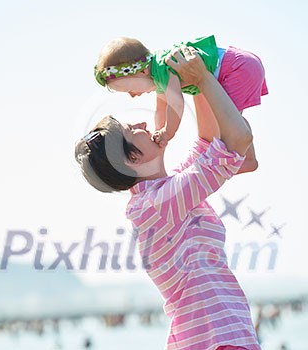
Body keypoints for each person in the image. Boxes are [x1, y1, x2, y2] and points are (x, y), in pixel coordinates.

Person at [76, 48, 260, 349]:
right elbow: (237, 142)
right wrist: (202, 77)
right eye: (130, 130)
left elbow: (210, 143)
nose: (142, 124)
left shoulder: (162, 193)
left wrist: (199, 73)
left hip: (217, 336)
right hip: (217, 339)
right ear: (130, 161)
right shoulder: (157, 204)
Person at [94, 35, 267, 174]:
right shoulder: (158, 70)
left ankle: (246, 159)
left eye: (128, 89)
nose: (132, 96)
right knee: (229, 120)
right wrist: (158, 132)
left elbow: (176, 104)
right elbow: (161, 109)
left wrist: (168, 132)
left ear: (143, 70)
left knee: (225, 124)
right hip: (242, 64)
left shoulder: (164, 69)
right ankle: (247, 157)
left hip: (237, 69)